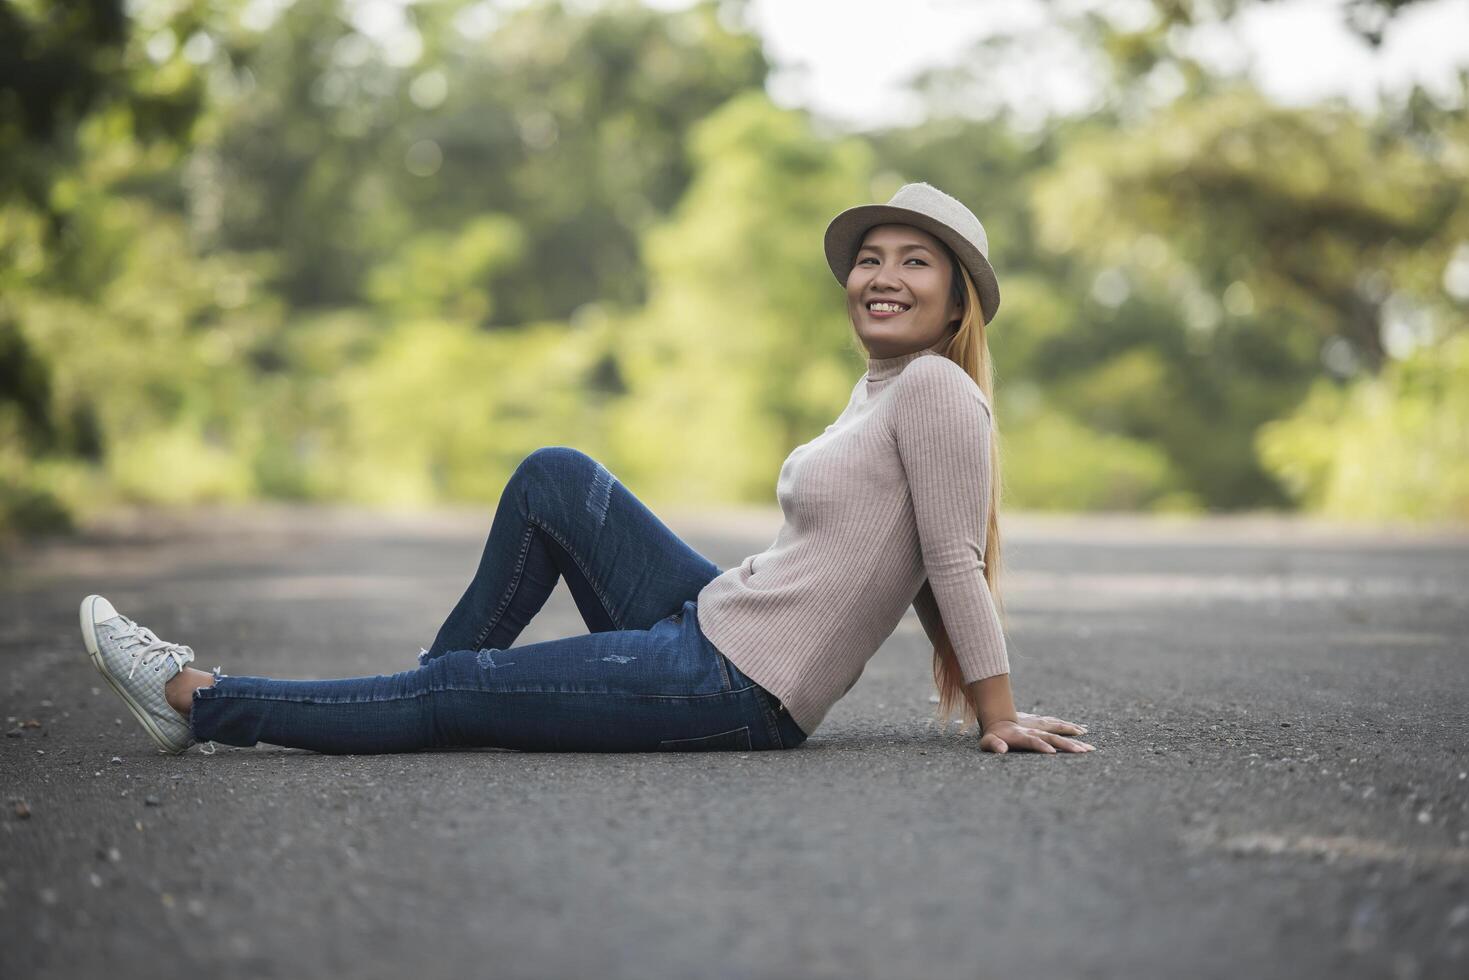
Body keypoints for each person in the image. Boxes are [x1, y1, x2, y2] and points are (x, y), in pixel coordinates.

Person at [80, 182, 1094, 757]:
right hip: (714, 616)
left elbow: (950, 557)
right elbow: (911, 553)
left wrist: (997, 712)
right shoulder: (883, 384)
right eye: (871, 255)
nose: (881, 274)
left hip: (734, 683)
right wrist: (967, 691)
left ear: (958, 302)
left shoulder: (933, 390)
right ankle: (428, 698)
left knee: (461, 687)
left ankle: (195, 696)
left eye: (915, 260)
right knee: (555, 475)